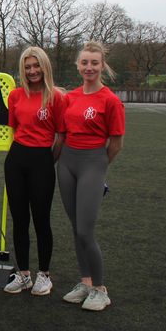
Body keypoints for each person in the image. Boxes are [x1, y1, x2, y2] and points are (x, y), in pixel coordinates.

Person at [57, 41, 125, 311]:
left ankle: (100, 288)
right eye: (84, 62)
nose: (89, 67)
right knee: (76, 228)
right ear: (77, 65)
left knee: (86, 230)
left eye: (94, 63)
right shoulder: (70, 98)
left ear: (102, 65)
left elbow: (116, 143)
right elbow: (61, 135)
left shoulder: (110, 100)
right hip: (66, 163)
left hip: (93, 163)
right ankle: (85, 282)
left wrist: (98, 168)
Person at [2, 47, 65, 295]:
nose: (32, 71)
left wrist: (49, 161)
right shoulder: (16, 96)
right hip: (16, 160)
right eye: (27, 67)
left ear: (45, 67)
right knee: (19, 219)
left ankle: (44, 275)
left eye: (36, 66)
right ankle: (24, 274)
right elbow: (15, 129)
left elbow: (60, 136)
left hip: (42, 160)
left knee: (41, 220)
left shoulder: (56, 97)